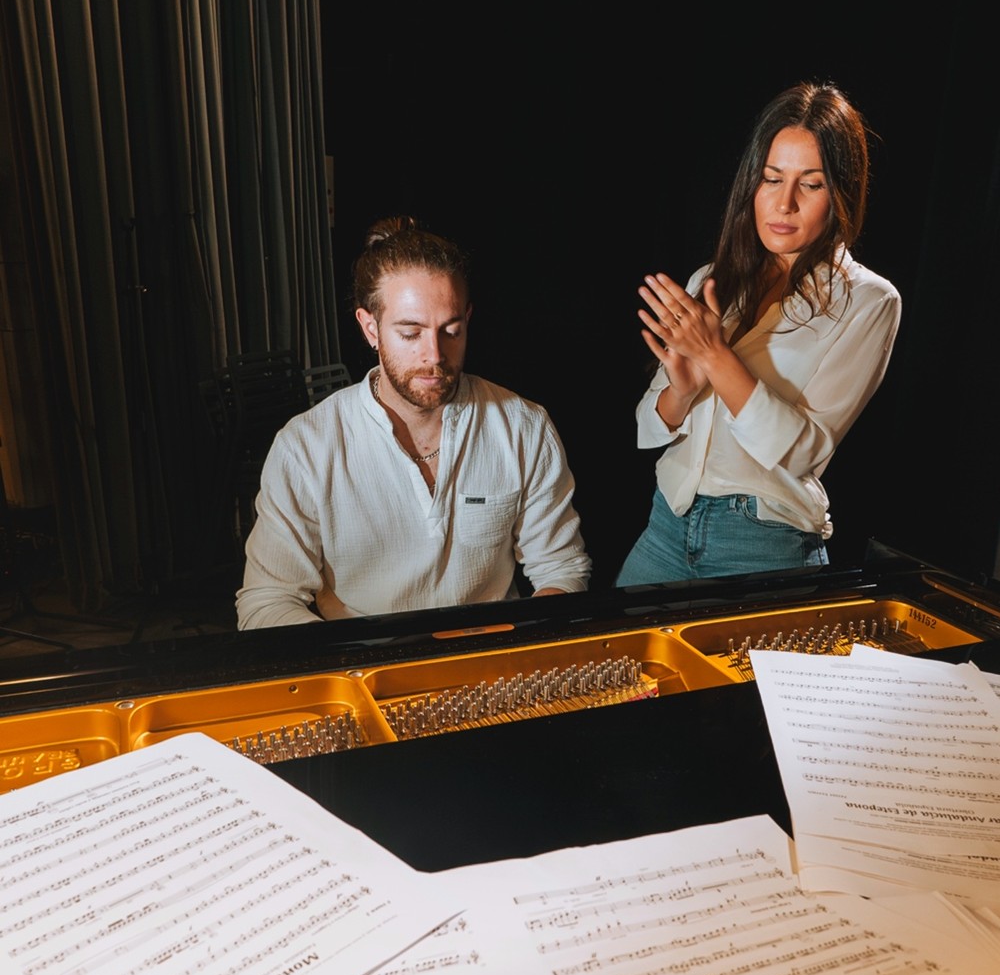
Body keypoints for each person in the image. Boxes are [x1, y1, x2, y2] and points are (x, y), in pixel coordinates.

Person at [236, 218, 590, 628]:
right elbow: (267, 602)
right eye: (410, 333)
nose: (435, 355)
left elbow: (561, 570)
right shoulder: (307, 446)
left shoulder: (524, 426)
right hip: (363, 666)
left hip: (488, 662)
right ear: (371, 328)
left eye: (451, 331)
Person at [616, 81, 901, 586]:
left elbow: (804, 452)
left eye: (810, 184)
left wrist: (716, 357)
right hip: (667, 524)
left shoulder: (869, 301)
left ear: (841, 193)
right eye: (772, 178)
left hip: (760, 542)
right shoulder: (713, 279)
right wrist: (680, 391)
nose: (784, 203)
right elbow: (649, 426)